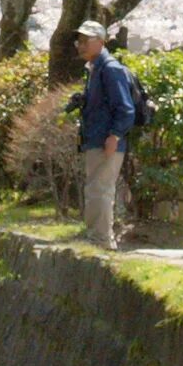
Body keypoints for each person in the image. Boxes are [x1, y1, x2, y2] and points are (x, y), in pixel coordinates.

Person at [68, 21, 140, 249]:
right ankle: (95, 237)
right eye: (78, 41)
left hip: (106, 141)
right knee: (95, 189)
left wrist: (115, 136)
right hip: (97, 139)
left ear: (100, 41)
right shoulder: (96, 69)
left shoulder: (110, 69)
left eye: (85, 41)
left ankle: (101, 240)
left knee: (100, 189)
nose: (80, 46)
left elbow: (126, 108)